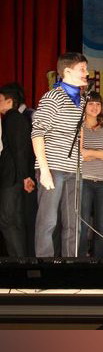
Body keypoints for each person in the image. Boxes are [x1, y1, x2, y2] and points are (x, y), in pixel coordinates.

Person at [32, 52, 88, 257]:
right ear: (67, 71)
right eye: (82, 69)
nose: (87, 73)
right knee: (48, 222)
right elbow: (37, 133)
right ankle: (45, 267)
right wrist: (44, 170)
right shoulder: (53, 97)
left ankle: (70, 266)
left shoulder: (82, 100)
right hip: (53, 167)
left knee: (73, 223)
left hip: (74, 168)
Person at [78, 92, 103, 258]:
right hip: (84, 179)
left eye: (98, 104)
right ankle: (80, 260)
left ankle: (99, 261)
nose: (95, 107)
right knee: (83, 223)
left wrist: (91, 153)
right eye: (91, 104)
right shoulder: (80, 126)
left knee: (102, 225)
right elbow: (81, 154)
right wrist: (101, 153)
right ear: (85, 106)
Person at [0, 86, 32, 256]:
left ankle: (18, 261)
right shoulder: (12, 119)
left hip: (12, 178)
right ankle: (20, 261)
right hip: (15, 177)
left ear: (9, 101)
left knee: (8, 220)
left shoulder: (13, 118)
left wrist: (24, 176)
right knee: (14, 220)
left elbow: (20, 149)